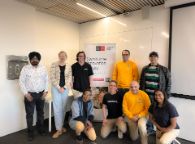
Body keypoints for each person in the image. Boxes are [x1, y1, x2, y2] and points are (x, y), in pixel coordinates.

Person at [19, 51, 48, 141]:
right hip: (29, 94)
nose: (34, 60)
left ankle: (41, 129)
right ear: (30, 59)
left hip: (41, 94)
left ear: (39, 59)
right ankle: (30, 132)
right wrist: (26, 94)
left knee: (41, 113)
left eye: (36, 58)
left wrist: (45, 92)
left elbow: (46, 80)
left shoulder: (43, 68)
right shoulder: (25, 68)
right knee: (29, 114)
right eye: (33, 58)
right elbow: (21, 81)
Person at [140, 51, 171, 134]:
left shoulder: (164, 69)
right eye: (151, 57)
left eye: (155, 57)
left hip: (158, 96)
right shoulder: (144, 69)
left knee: (159, 113)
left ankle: (160, 130)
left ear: (157, 58)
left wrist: (166, 96)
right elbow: (141, 82)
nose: (153, 58)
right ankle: (149, 129)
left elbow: (169, 83)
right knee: (149, 112)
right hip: (146, 95)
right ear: (149, 58)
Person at [50, 51, 72, 138]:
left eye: (64, 56)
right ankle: (58, 129)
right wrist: (59, 87)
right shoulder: (53, 64)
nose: (62, 57)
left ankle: (61, 126)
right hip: (56, 89)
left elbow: (69, 77)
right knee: (57, 108)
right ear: (58, 56)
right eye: (61, 56)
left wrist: (64, 87)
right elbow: (52, 77)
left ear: (66, 57)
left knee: (63, 108)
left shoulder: (69, 66)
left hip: (65, 89)